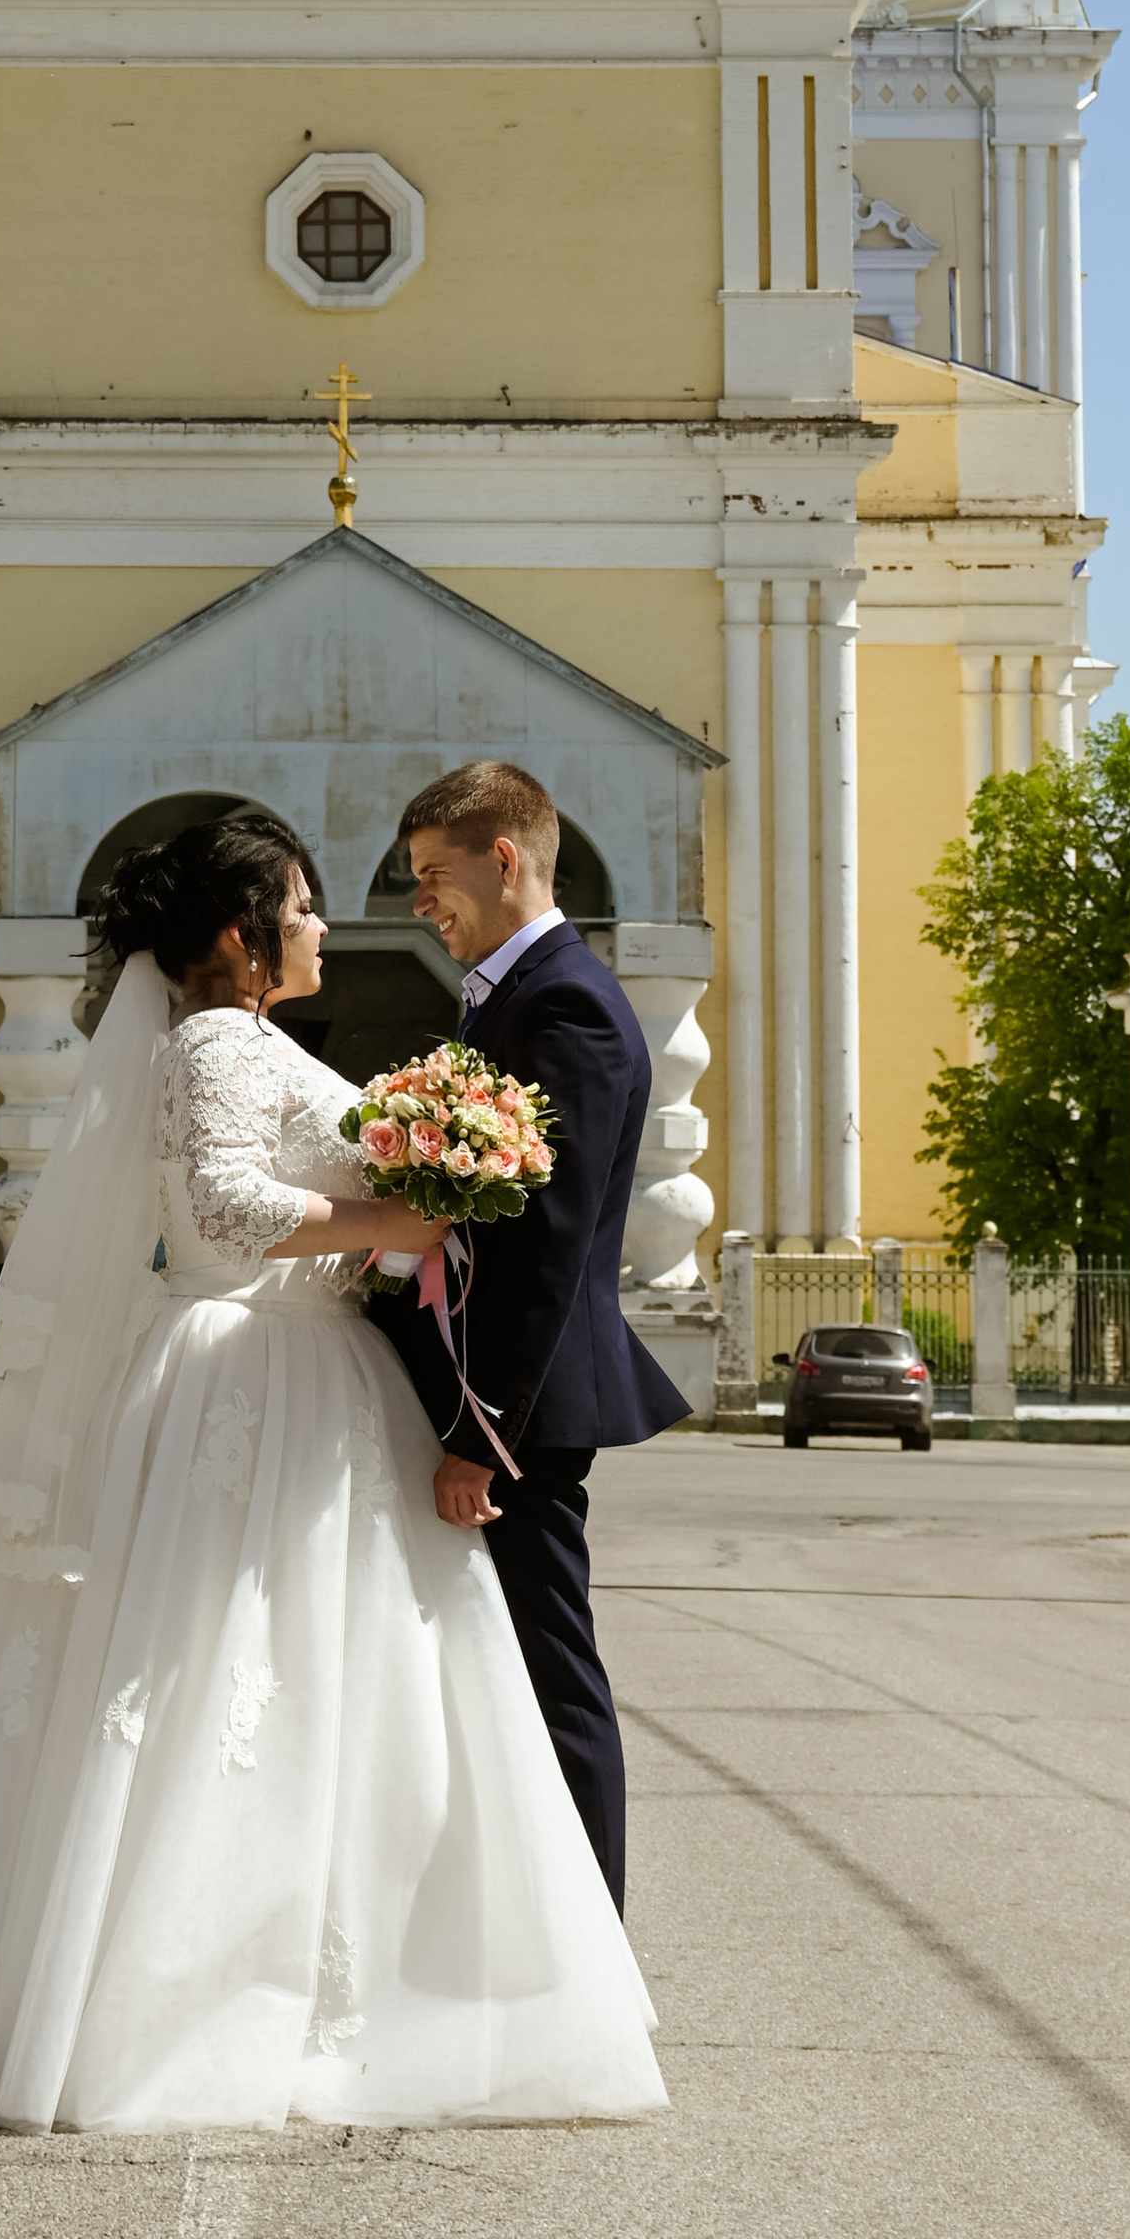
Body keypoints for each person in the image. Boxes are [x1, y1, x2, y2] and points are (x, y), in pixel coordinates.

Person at [0, 809, 664, 2133]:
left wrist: (408, 1217)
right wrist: (397, 1216)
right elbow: (220, 1216)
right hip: (258, 1380)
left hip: (306, 1375)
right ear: (243, 941)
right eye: (299, 910)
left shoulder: (244, 1042)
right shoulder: (219, 1044)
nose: (318, 927)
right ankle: (184, 2006)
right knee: (215, 1685)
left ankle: (315, 1981)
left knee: (318, 1693)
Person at [371, 759, 690, 1915]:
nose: (421, 904)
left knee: (552, 1672)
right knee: (500, 1665)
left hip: (526, 1412)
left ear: (503, 860)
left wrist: (479, 1432)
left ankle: (588, 1937)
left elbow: (549, 1246)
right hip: (489, 1399)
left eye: (432, 877)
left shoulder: (564, 1003)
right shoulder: (505, 994)